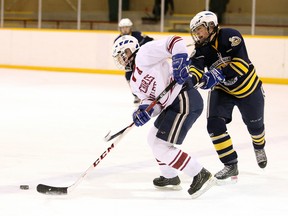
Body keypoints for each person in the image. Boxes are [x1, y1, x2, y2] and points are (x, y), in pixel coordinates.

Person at [112, 34, 215, 198]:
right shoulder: (133, 81)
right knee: (152, 139)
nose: (122, 59)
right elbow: (153, 102)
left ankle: (200, 174)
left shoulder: (144, 53)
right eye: (119, 57)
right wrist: (144, 111)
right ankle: (170, 176)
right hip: (172, 105)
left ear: (130, 49)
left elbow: (175, 41)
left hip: (184, 97)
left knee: (161, 147)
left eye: (123, 54)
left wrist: (179, 60)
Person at [188, 11, 267, 183]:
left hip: (249, 89)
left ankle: (259, 147)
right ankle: (230, 164)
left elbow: (241, 65)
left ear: (211, 26)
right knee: (214, 124)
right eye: (196, 31)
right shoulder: (201, 48)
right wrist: (191, 79)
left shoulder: (231, 36)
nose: (198, 34)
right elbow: (196, 67)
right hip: (223, 91)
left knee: (256, 128)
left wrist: (217, 74)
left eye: (200, 29)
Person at [114, 18, 154, 104]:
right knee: (129, 77)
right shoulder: (118, 40)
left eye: (127, 27)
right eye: (123, 27)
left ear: (130, 28)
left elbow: (150, 40)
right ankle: (136, 95)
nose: (125, 29)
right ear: (120, 29)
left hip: (141, 61)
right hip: (129, 63)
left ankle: (148, 94)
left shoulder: (138, 35)